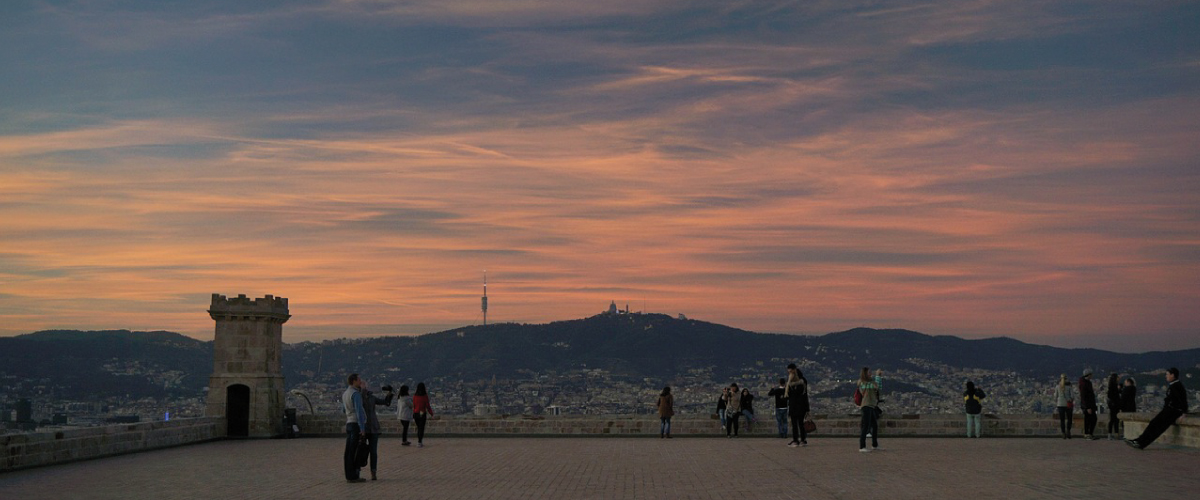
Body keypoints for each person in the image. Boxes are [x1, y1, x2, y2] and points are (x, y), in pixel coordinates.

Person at [1126, 367, 1189, 450]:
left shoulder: (1177, 386)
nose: (1166, 376)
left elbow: (1182, 400)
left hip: (1172, 411)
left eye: (1167, 374)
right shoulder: (1174, 385)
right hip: (1169, 410)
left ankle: (1141, 443)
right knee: (1153, 424)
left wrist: (1184, 413)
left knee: (1158, 427)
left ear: (1172, 375)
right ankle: (1139, 441)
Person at [360, 380, 394, 480]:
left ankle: (373, 471)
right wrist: (362, 390)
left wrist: (390, 394)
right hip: (364, 427)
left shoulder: (372, 397)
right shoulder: (358, 396)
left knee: (373, 452)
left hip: (373, 427)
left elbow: (385, 402)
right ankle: (358, 469)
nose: (366, 386)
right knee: (360, 450)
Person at [341, 373, 367, 483]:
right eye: (359, 380)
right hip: (355, 423)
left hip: (349, 423)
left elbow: (343, 409)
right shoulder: (355, 394)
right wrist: (362, 428)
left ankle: (349, 474)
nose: (360, 382)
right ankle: (353, 476)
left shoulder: (345, 393)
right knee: (354, 451)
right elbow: (359, 411)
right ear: (354, 381)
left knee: (348, 451)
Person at [785, 363, 810, 447]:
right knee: (798, 424)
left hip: (797, 405)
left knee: (797, 424)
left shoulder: (798, 382)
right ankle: (799, 440)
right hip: (798, 406)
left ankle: (799, 440)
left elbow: (792, 395)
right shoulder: (801, 382)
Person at [857, 367, 881, 452]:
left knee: (874, 425)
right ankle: (862, 446)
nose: (871, 373)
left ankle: (874, 445)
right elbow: (875, 386)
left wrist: (878, 378)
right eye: (869, 372)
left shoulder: (870, 382)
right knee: (865, 426)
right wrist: (877, 376)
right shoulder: (862, 382)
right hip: (866, 405)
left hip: (871, 405)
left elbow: (878, 387)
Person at [1079, 369, 1098, 440]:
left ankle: (1090, 433)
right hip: (1087, 405)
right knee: (1089, 419)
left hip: (1090, 404)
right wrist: (1087, 407)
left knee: (1092, 419)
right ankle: (1087, 433)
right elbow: (1084, 396)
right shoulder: (1084, 383)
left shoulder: (1087, 382)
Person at [412, 382, 433, 448]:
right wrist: (431, 413)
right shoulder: (424, 396)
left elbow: (414, 405)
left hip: (416, 413)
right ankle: (419, 441)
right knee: (421, 428)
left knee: (419, 428)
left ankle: (419, 441)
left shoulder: (415, 396)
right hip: (422, 413)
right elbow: (427, 405)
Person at [1054, 374, 1075, 439]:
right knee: (1069, 419)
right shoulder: (1069, 387)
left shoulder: (1057, 387)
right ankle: (1068, 430)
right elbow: (1072, 396)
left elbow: (1055, 396)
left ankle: (1063, 433)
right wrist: (1070, 399)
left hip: (1060, 404)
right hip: (1068, 404)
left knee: (1062, 420)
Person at [1105, 373, 1121, 440]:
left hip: (1113, 405)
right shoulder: (1113, 387)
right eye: (1117, 377)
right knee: (1114, 420)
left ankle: (1113, 434)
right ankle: (1114, 434)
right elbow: (1114, 396)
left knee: (1114, 420)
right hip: (1114, 405)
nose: (1119, 378)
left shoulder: (1112, 386)